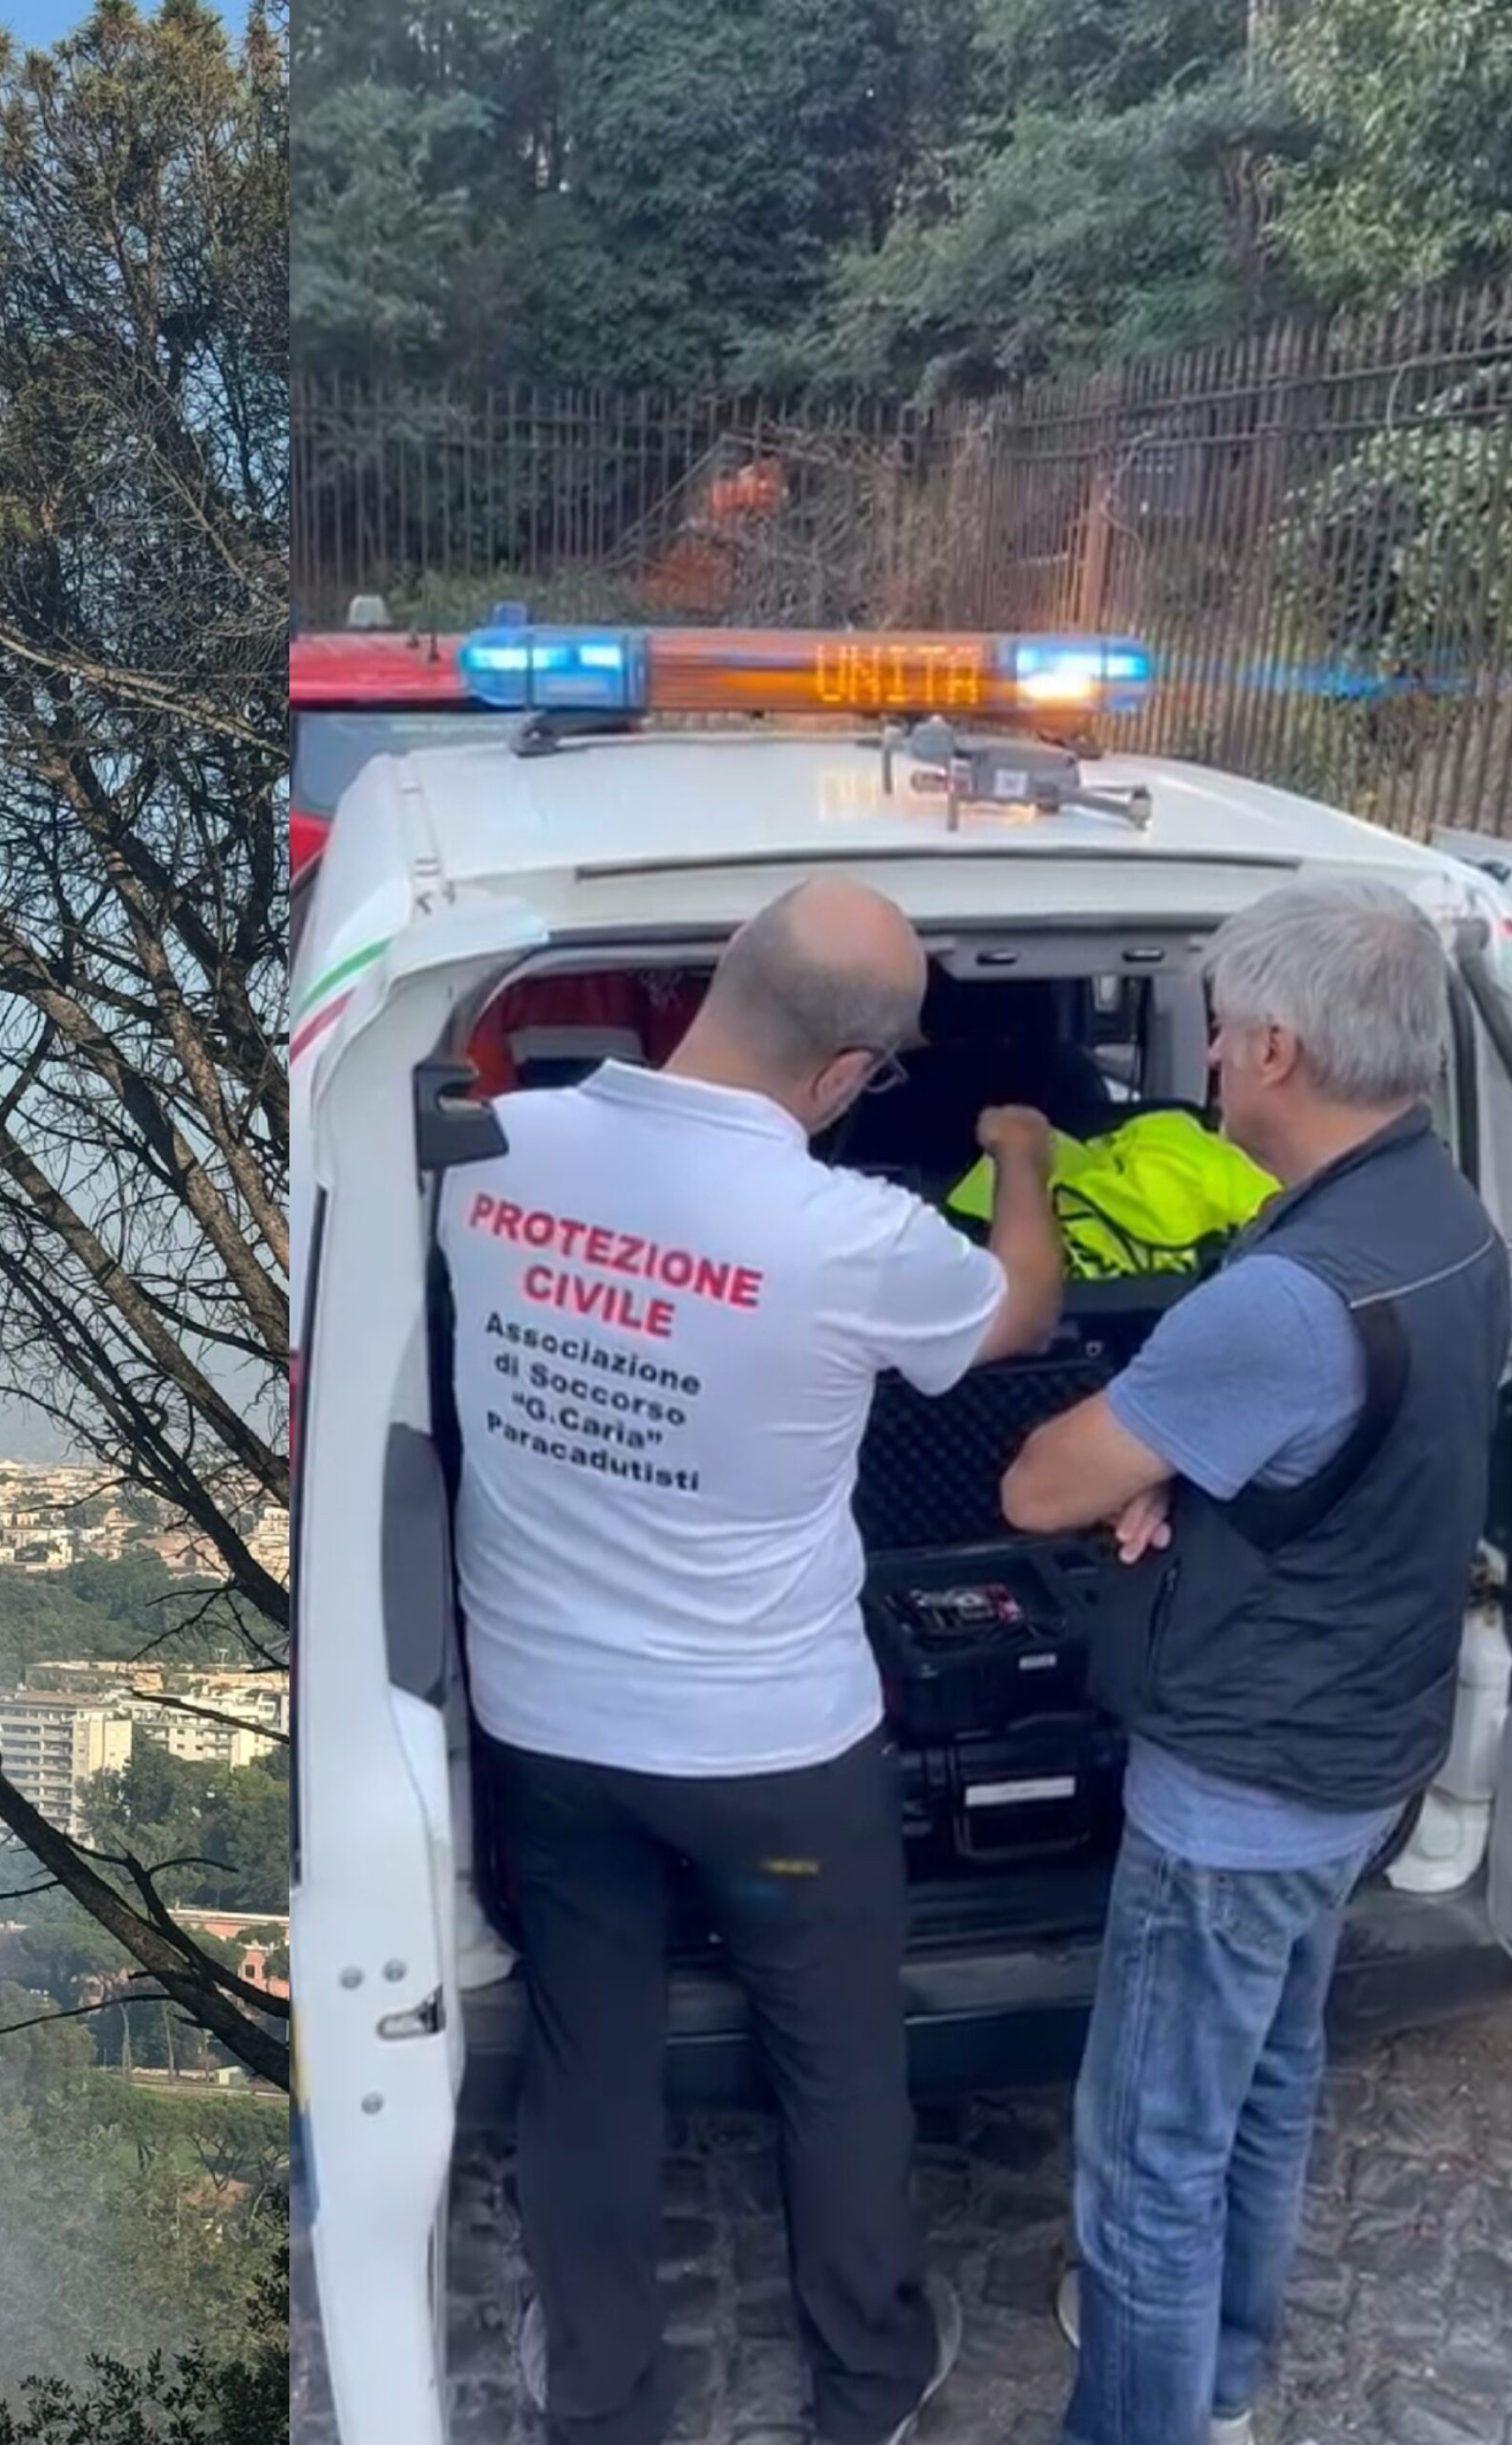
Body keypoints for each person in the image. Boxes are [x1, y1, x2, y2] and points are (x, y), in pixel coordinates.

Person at [442, 875, 1064, 2445]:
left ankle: (597, 2393)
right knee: (838, 2068)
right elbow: (1018, 1318)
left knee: (591, 2056)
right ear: (851, 1080)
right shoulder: (856, 1235)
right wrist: (1021, 1158)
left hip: (549, 1723)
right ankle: (866, 2388)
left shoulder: (493, 1146)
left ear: (722, 962)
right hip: (777, 1759)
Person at [1000, 879, 1511, 2445]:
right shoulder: (1448, 1217)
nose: (1207, 1062)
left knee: (1151, 2153)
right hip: (1368, 1746)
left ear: (1275, 1049)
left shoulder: (1280, 1300)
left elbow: (1040, 1483)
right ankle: (1219, 2374)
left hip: (1239, 1784)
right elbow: (1340, 1445)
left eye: (1219, 1036)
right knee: (1268, 2082)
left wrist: (1145, 1462)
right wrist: (1190, 1462)